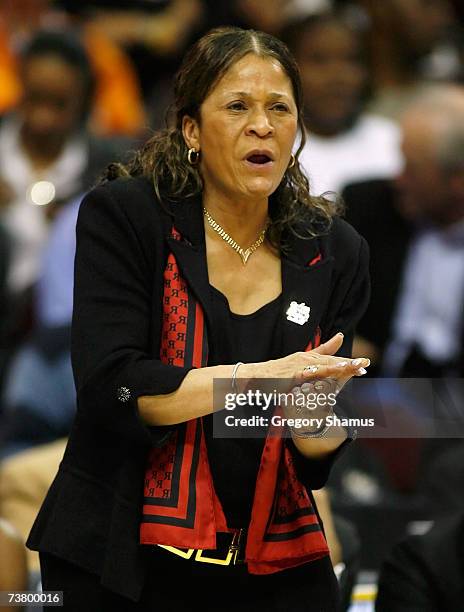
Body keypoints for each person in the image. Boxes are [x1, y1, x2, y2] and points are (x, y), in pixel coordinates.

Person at [26, 27, 370, 611]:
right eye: (237, 106)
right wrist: (258, 381)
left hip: (274, 565)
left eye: (278, 109)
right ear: (191, 129)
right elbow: (116, 389)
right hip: (121, 560)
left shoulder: (335, 249)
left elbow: (316, 456)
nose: (261, 125)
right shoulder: (128, 218)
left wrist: (317, 413)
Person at [283, 10, 402, 196]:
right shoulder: (275, 148)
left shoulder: (391, 141)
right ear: (288, 69)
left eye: (351, 60)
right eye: (319, 60)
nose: (337, 76)